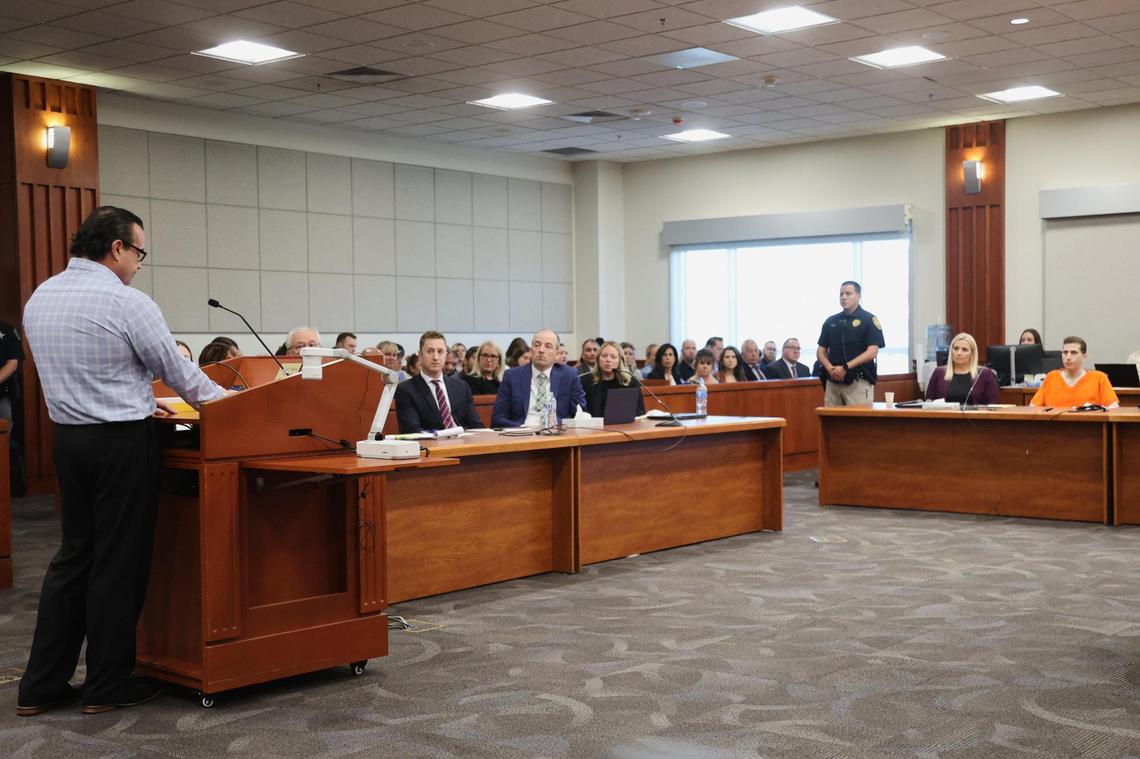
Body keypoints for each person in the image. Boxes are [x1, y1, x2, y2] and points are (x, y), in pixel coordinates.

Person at [19, 206, 226, 716]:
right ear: (116, 248)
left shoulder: (41, 295)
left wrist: (133, 396)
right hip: (120, 446)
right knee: (119, 562)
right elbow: (179, 372)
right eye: (139, 252)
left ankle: (41, 685)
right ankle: (107, 684)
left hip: (68, 442)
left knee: (74, 558)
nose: (138, 263)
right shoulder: (126, 301)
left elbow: (85, 371)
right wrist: (232, 406)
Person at [492, 329, 586, 427]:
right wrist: (521, 429)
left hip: (556, 436)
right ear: (531, 350)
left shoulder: (569, 376)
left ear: (557, 354)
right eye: (537, 345)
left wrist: (556, 427)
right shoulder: (512, 376)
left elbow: (581, 414)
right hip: (521, 435)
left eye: (547, 346)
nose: (541, 350)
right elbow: (498, 419)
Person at [395, 331, 483, 433]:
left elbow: (476, 425)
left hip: (463, 443)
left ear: (446, 355)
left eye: (440, 351)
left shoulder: (461, 387)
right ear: (420, 355)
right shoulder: (406, 390)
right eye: (430, 351)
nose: (435, 357)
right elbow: (412, 431)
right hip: (432, 446)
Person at [817, 280, 885, 406]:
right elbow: (821, 351)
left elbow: (872, 352)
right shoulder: (831, 321)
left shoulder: (869, 320)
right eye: (841, 294)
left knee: (859, 423)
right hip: (833, 382)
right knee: (831, 423)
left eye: (848, 294)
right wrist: (830, 369)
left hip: (857, 382)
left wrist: (845, 368)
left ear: (858, 296)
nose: (843, 297)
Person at [1030, 337, 1119, 409]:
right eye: (1065, 352)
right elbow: (1033, 407)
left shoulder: (1099, 378)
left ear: (1084, 357)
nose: (1068, 357)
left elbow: (1113, 407)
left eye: (1073, 352)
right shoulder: (1051, 377)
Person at [924, 333, 1000, 405]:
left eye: (964, 349)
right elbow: (929, 401)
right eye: (956, 348)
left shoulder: (984, 374)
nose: (959, 353)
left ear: (972, 354)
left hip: (975, 418)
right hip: (944, 417)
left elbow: (993, 405)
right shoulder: (939, 373)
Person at [580, 341, 645, 417]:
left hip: (624, 426)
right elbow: (582, 411)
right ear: (598, 359)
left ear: (620, 361)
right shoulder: (585, 381)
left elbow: (640, 411)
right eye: (604, 356)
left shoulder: (630, 382)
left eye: (613, 357)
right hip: (594, 426)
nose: (608, 360)